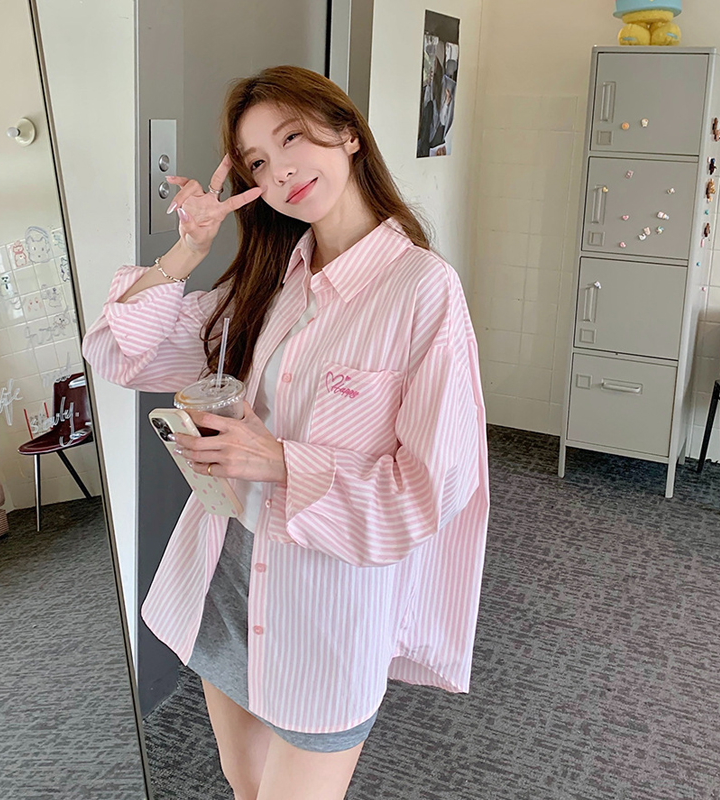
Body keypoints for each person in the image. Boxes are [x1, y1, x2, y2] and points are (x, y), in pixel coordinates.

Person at [83, 65, 489, 800]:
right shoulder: (270, 281)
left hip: (324, 614)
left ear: (348, 133)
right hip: (226, 581)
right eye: (259, 162)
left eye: (294, 137)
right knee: (244, 785)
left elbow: (431, 491)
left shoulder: (422, 290)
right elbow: (119, 351)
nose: (281, 172)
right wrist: (189, 248)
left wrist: (278, 460)